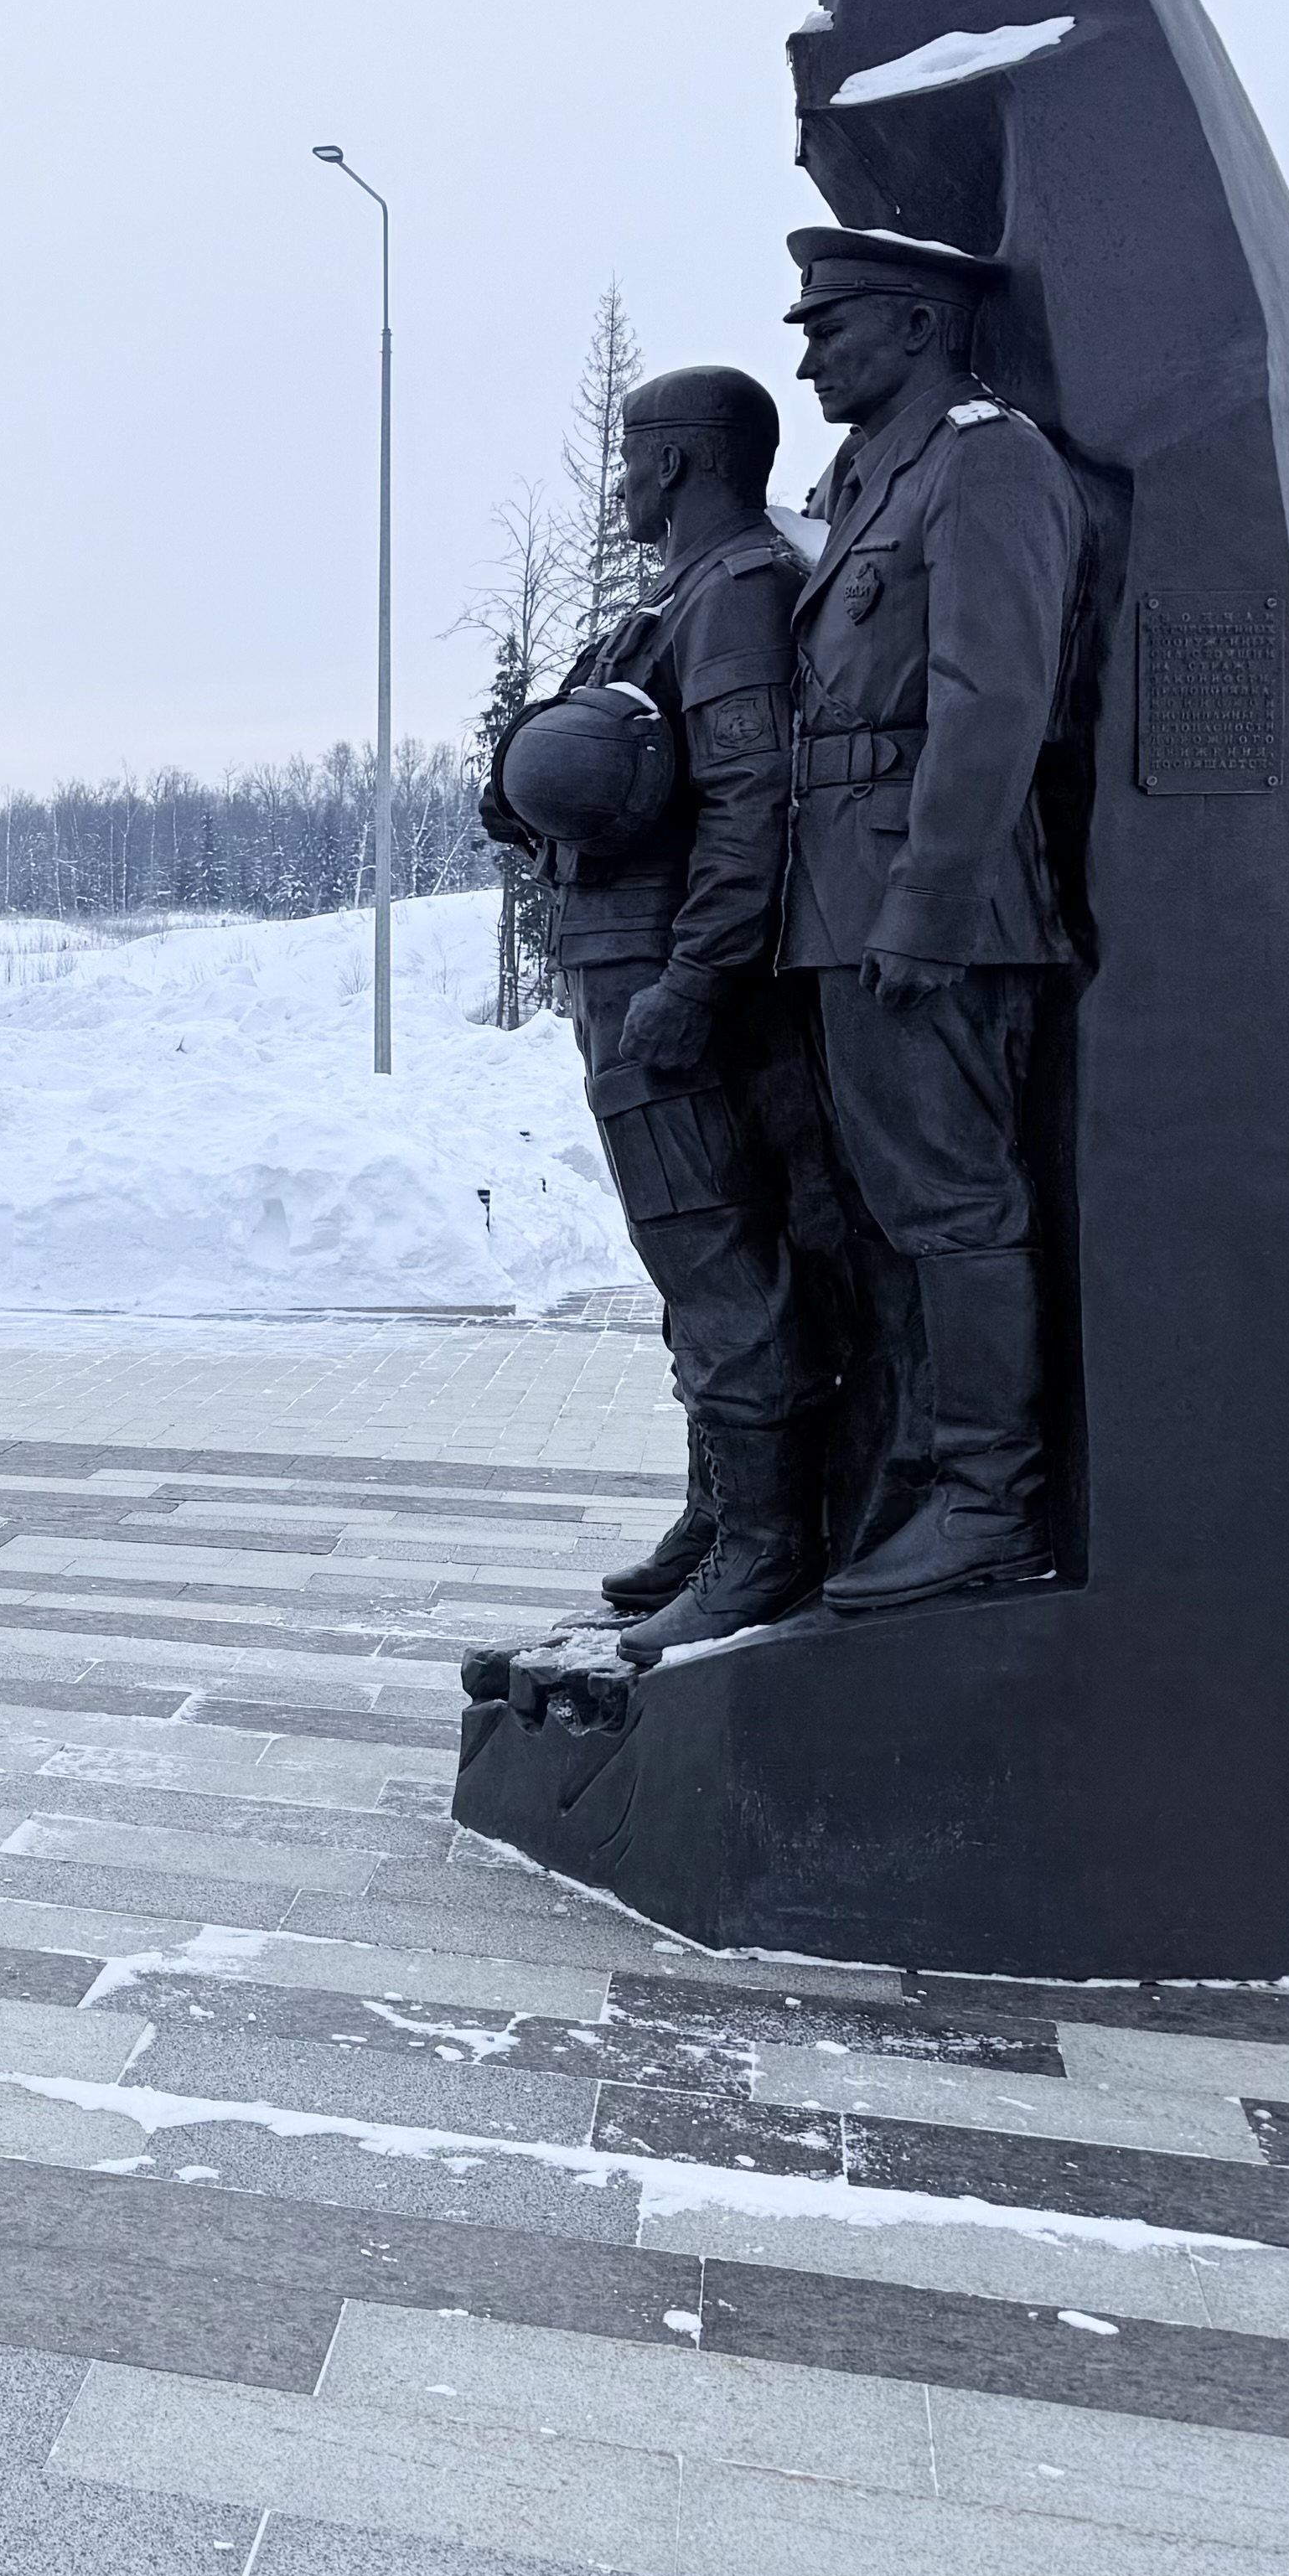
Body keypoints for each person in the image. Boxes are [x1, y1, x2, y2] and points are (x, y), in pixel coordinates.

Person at [481, 369, 832, 1662]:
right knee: (686, 1259)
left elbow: (754, 805)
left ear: (679, 463)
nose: (624, 482)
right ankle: (723, 1508)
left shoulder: (737, 590)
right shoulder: (681, 597)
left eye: (633, 458)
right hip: (625, 959)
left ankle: (768, 1543)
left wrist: (697, 981)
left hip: (670, 976)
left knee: (716, 1249)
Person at [779, 225, 1087, 1611]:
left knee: (958, 1209)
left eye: (828, 326)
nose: (806, 354)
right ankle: (919, 1469)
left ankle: (987, 1501)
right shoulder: (865, 477)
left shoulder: (985, 458)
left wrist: (928, 903)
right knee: (902, 1210)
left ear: (913, 322)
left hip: (933, 904)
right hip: (851, 900)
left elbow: (991, 696)